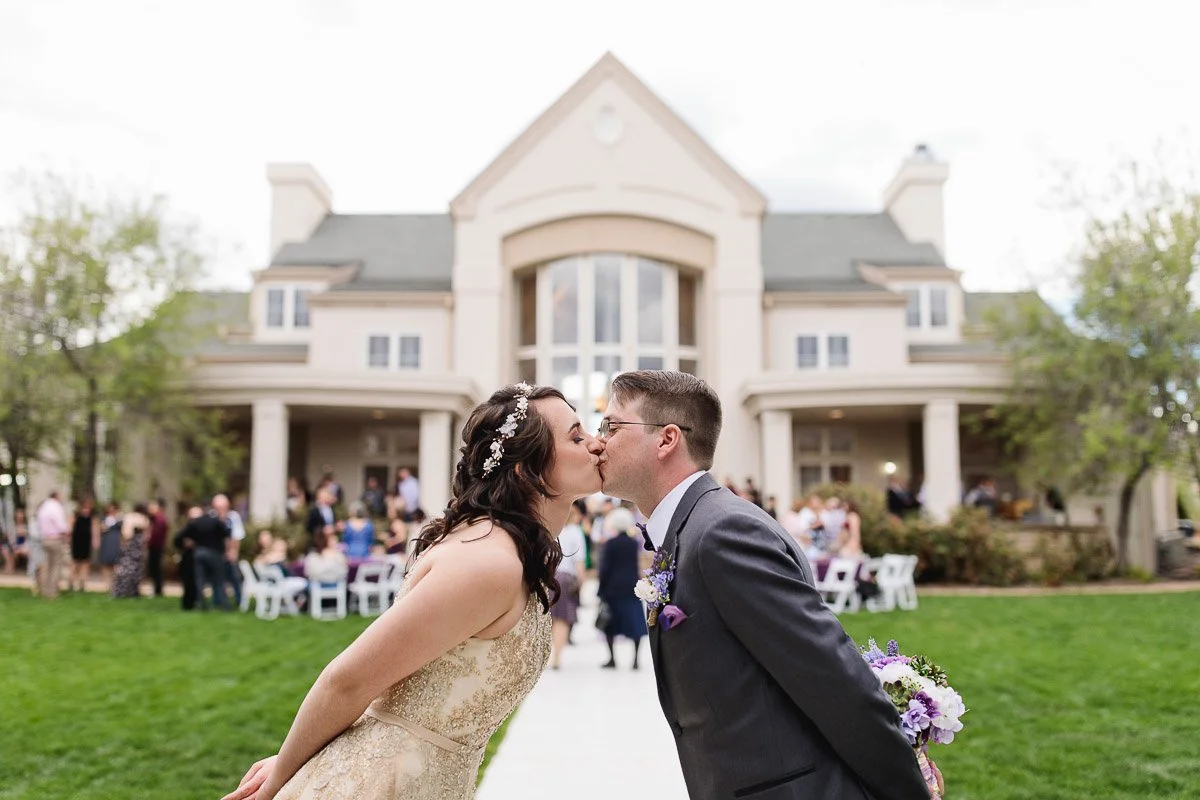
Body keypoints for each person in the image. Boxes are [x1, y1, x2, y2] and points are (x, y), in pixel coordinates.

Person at [223, 383, 604, 800]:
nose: (596, 444)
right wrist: (280, 777)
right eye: (576, 436)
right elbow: (346, 680)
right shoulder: (489, 561)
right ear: (524, 470)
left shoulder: (508, 552)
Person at [596, 370, 934, 800]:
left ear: (666, 439)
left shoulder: (723, 532)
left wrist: (909, 790)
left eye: (611, 425)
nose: (598, 440)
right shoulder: (690, 528)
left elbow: (833, 679)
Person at [596, 505, 648, 670]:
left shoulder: (610, 544)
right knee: (635, 624)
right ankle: (635, 660)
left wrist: (601, 589)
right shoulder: (633, 544)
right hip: (631, 587)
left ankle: (612, 659)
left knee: (610, 625)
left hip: (612, 589)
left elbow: (604, 569)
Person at [548, 499, 587, 670]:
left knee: (547, 618)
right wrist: (581, 583)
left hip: (548, 576)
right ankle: (556, 657)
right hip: (566, 578)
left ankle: (546, 655)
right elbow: (580, 562)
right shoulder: (576, 532)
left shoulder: (551, 529)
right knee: (561, 620)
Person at [111, 503, 149, 598]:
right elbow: (147, 536)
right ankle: (134, 591)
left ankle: (122, 591)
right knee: (136, 568)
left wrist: (124, 543)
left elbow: (126, 533)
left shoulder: (130, 517)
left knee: (125, 568)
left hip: (131, 545)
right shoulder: (144, 519)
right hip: (139, 546)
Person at [69, 496, 98, 592]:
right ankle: (72, 582)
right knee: (75, 563)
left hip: (86, 542)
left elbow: (94, 530)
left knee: (85, 563)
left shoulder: (92, 518)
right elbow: (70, 527)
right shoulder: (75, 516)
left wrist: (95, 541)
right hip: (76, 541)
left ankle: (82, 583)